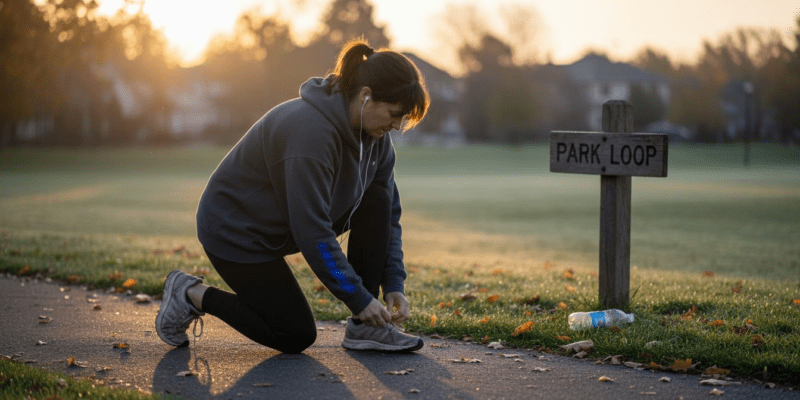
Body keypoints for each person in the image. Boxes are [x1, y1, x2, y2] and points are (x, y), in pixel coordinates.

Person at [155, 39, 429, 354]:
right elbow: (312, 232)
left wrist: (393, 283)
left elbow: (387, 214)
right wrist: (358, 297)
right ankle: (189, 293)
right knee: (294, 334)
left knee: (378, 199)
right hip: (236, 232)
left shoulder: (376, 141)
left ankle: (366, 329)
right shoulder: (310, 133)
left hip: (281, 226)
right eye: (395, 114)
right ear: (366, 96)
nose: (397, 126)